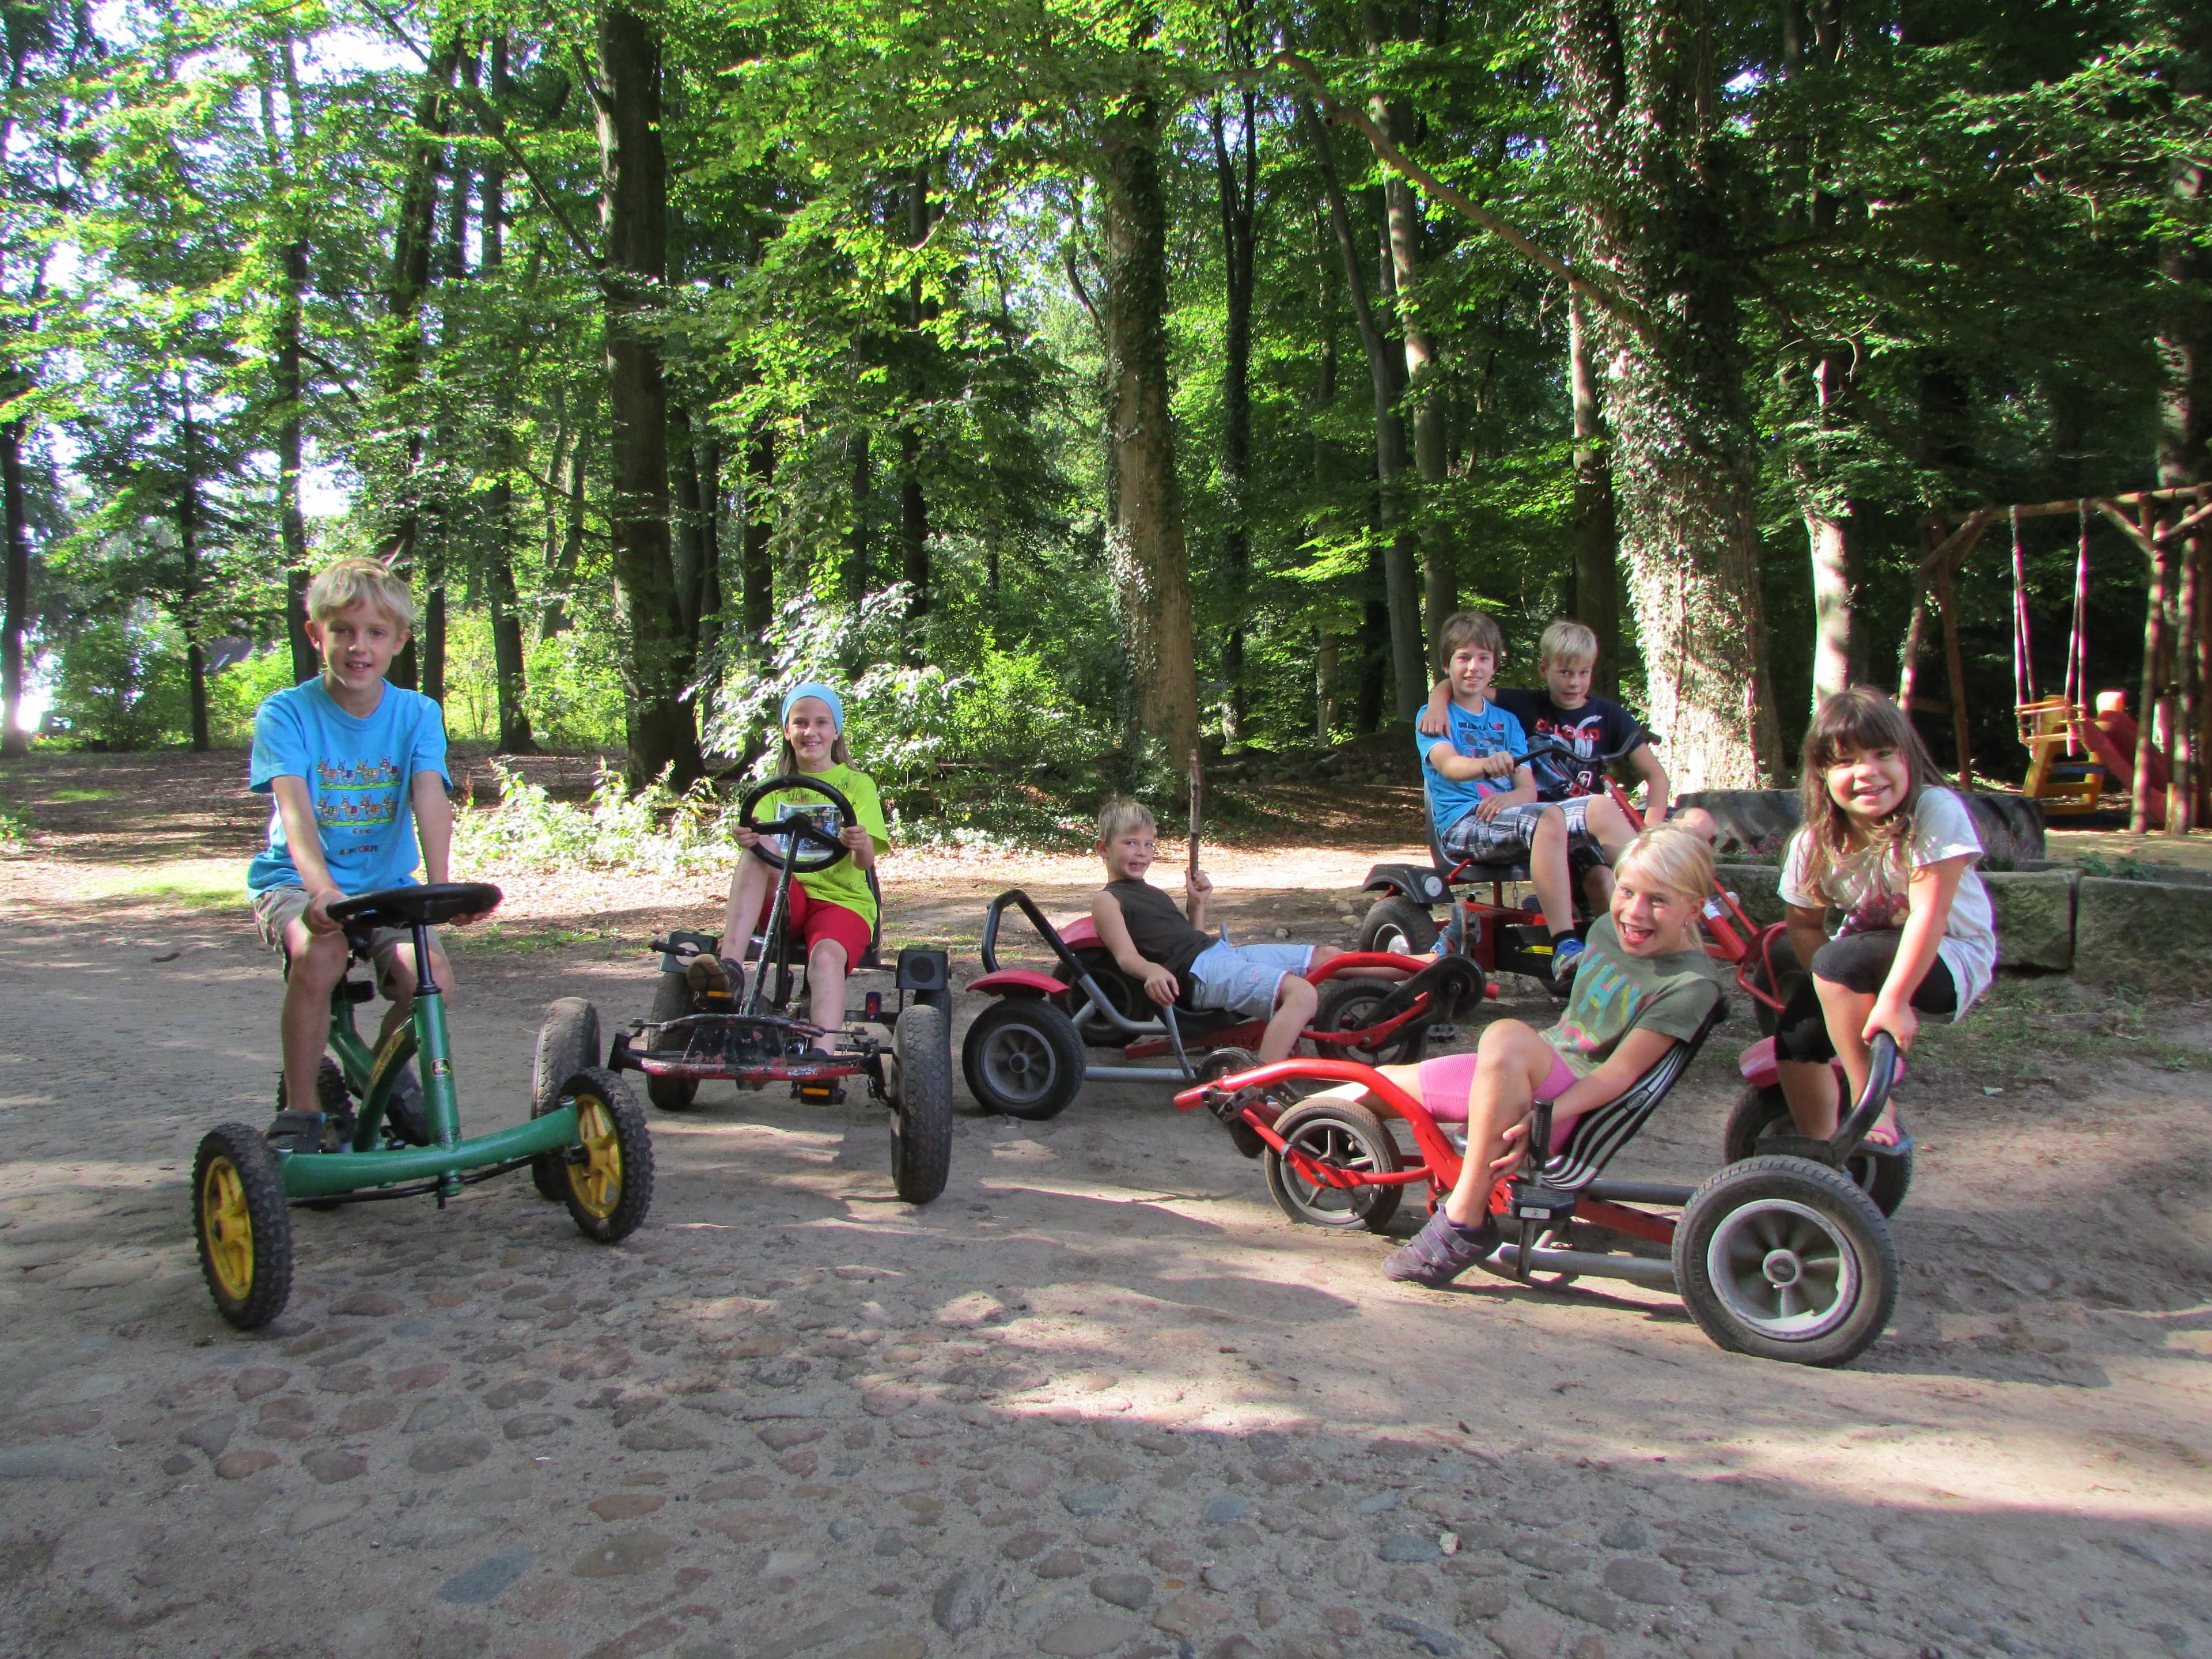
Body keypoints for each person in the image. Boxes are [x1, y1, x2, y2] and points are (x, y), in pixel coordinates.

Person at [1351, 826, 1730, 1287]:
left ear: (1695, 907)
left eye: (1658, 901)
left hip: (1567, 1105)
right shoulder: (1611, 929)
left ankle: (1464, 1220)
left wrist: (1541, 1116)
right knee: (1375, 1084)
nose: (1635, 911)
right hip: (1528, 1072)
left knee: (1506, 1035)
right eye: (1627, 891)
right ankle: (1263, 1117)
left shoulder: (1690, 987)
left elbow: (1617, 1076)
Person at [247, 558, 485, 1153]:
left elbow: (430, 795)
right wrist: (322, 890)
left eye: (376, 633)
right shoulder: (287, 713)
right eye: (343, 631)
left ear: (399, 640)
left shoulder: (417, 713)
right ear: (315, 634)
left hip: (384, 885)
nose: (359, 647)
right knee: (321, 955)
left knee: (430, 981)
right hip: (298, 881)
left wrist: (442, 887)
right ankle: (302, 1111)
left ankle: (382, 1075)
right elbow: (294, 809)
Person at [1771, 686, 1995, 1151]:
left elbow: (1928, 917)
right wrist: (1827, 997)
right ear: (1822, 775)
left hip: (1950, 956)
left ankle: (1872, 1101)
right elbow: (1805, 926)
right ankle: (1823, 1154)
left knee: (1841, 961)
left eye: (1883, 754)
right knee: (1796, 1035)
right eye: (1846, 761)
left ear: (1908, 758)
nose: (1868, 772)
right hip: (1863, 960)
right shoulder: (1812, 845)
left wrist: (1891, 1001)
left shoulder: (1934, 811)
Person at [1420, 619, 1714, 909]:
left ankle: (1689, 901)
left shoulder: (1610, 715)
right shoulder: (1525, 706)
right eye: (1564, 672)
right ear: (1544, 670)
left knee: (1699, 821)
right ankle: (1664, 912)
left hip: (1595, 814)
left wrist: (1650, 832)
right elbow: (1465, 681)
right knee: (1602, 877)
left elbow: (1656, 776)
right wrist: (1436, 705)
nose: (1573, 682)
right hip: (1553, 816)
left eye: (1583, 673)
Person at [1091, 797, 1360, 1068]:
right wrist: (1151, 970)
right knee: (1302, 996)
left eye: (1149, 844)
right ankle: (1255, 1087)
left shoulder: (1152, 893)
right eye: (1130, 843)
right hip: (1200, 976)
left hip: (1217, 957)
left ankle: (1404, 977)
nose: (1142, 852)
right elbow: (1125, 956)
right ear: (1103, 848)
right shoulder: (1107, 900)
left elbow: (1191, 940)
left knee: (1330, 957)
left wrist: (1198, 903)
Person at [1416, 609, 1592, 980]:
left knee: (1595, 821)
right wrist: (1486, 765)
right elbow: (1450, 766)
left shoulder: (1508, 722)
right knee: (1548, 817)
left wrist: (1510, 799)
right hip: (1465, 822)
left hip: (1510, 816)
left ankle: (1630, 937)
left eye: (1483, 658)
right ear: (1447, 664)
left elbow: (1526, 789)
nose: (1473, 667)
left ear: (1495, 666)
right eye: (1463, 658)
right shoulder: (1434, 716)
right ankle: (1566, 943)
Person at [714, 683, 888, 1047]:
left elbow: (866, 859)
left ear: (836, 730)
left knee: (825, 959)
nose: (812, 732)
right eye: (801, 723)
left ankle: (821, 1058)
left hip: (841, 901)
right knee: (756, 847)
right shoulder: (773, 789)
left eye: (822, 723)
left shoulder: (857, 784)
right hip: (786, 900)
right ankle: (728, 969)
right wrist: (745, 835)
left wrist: (859, 844)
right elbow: (758, 838)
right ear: (787, 731)